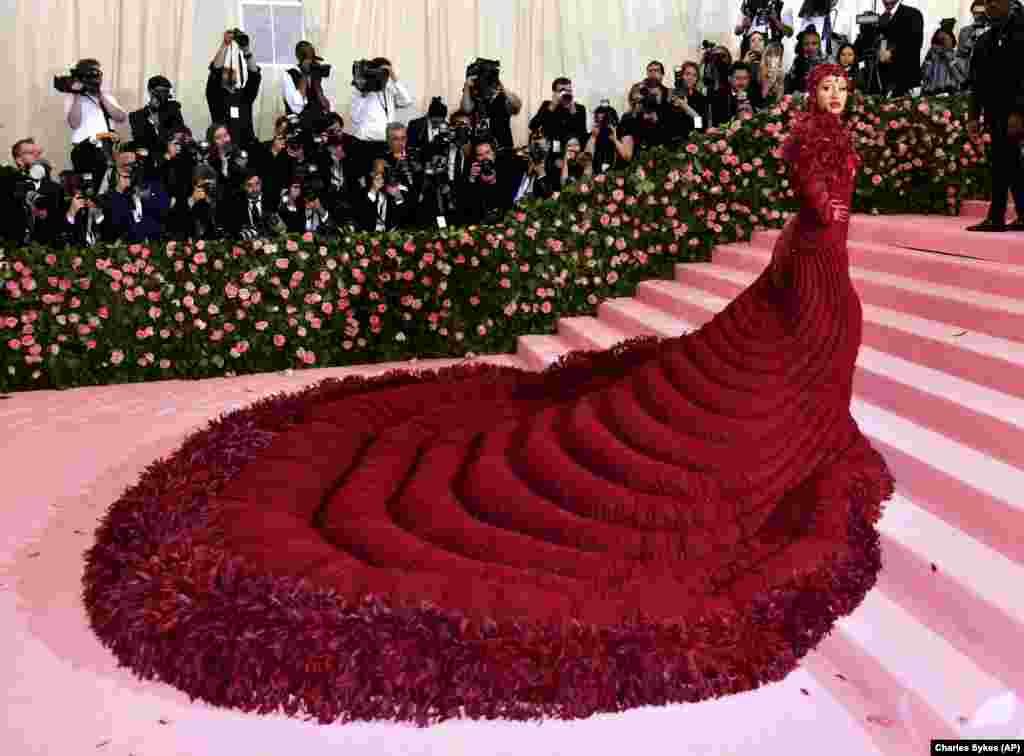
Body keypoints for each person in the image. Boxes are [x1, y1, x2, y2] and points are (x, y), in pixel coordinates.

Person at [215, 61, 894, 721]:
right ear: (814, 94)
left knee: (833, 335)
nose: (834, 96)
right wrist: (828, 203)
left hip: (821, 254)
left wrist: (833, 209)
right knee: (820, 335)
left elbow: (831, 203)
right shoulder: (805, 137)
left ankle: (817, 424)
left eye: (841, 87)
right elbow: (814, 195)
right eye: (825, 87)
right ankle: (809, 423)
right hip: (811, 253)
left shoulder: (840, 136)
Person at [966, 0, 1024, 232]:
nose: (989, 7)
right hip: (994, 112)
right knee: (1008, 161)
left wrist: (1019, 112)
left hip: (1016, 110)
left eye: (993, 1)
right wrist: (973, 115)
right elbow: (976, 83)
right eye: (986, 2)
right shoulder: (984, 40)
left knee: (1004, 161)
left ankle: (996, 216)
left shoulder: (1021, 32)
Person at [350, 58, 413, 183]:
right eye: (380, 73)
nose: (382, 76)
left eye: (385, 73)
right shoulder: (361, 90)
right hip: (365, 145)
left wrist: (394, 77)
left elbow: (406, 101)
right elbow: (355, 118)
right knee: (367, 182)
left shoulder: (389, 89)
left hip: (386, 144)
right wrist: (364, 93)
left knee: (388, 180)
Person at [63, 59, 128, 178]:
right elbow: (74, 123)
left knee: (107, 185)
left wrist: (100, 95)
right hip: (84, 149)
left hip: (106, 149)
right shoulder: (72, 98)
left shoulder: (107, 96)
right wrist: (77, 94)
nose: (95, 78)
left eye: (97, 74)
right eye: (90, 75)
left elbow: (121, 117)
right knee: (88, 188)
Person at [205, 30, 262, 150]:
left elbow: (254, 75)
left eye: (233, 71)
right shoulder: (215, 96)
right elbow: (215, 70)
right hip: (225, 148)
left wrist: (246, 50)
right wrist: (225, 44)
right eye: (225, 71)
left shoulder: (244, 95)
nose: (230, 72)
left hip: (247, 148)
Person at [528, 78, 588, 156]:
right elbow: (533, 126)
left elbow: (582, 135)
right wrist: (552, 106)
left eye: (568, 91)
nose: (565, 93)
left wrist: (573, 111)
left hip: (569, 153)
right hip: (549, 152)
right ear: (555, 92)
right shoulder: (547, 105)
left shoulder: (579, 108)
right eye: (561, 91)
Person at [129, 75, 187, 155]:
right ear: (150, 91)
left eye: (166, 91)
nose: (164, 95)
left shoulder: (173, 109)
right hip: (152, 156)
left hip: (175, 153)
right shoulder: (137, 116)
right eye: (160, 91)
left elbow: (179, 131)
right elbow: (142, 141)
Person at [920, 24, 967, 95]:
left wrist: (949, 59)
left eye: (945, 39)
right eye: (939, 40)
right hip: (931, 94)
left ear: (952, 39)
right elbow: (923, 77)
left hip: (951, 94)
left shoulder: (958, 56)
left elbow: (961, 79)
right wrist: (929, 59)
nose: (942, 43)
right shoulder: (931, 57)